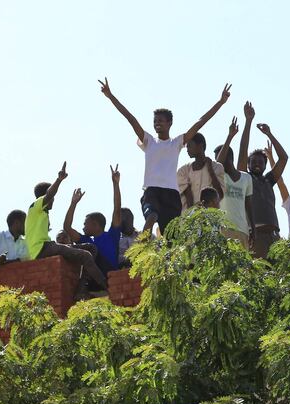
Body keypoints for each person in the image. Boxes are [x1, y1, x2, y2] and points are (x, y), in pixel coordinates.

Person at [99, 76, 231, 234]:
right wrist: (110, 96)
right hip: (152, 191)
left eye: (161, 120)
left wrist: (221, 102)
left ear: (169, 123)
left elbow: (200, 122)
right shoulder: (149, 141)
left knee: (171, 234)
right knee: (152, 215)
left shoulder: (176, 143)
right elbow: (130, 118)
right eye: (155, 121)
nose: (157, 123)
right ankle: (141, 244)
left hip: (171, 194)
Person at [26, 162, 107, 298]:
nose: (53, 202)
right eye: (53, 199)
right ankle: (108, 287)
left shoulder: (41, 213)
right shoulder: (36, 206)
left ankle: (81, 289)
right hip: (40, 248)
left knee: (90, 248)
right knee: (85, 255)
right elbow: (49, 194)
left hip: (47, 246)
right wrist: (59, 180)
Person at [237, 102, 288, 258]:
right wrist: (248, 121)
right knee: (258, 274)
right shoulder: (245, 178)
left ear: (266, 165)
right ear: (248, 164)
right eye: (254, 162)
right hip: (256, 235)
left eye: (261, 162)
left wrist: (269, 134)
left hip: (274, 236)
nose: (257, 164)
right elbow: (243, 152)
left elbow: (284, 158)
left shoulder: (268, 181)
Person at [63, 164, 123, 276]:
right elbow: (67, 228)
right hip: (94, 279)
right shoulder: (87, 241)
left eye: (86, 224)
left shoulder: (111, 236)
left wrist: (115, 184)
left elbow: (117, 210)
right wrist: (73, 204)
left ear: (96, 225)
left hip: (111, 276)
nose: (83, 227)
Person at [216, 116, 255, 249]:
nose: (217, 163)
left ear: (229, 158)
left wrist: (252, 229)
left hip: (242, 230)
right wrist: (230, 136)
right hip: (223, 229)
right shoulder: (221, 177)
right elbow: (218, 164)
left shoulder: (246, 178)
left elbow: (249, 206)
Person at [177, 133, 225, 209]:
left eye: (190, 145)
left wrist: (210, 170)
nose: (187, 149)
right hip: (189, 216)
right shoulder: (183, 170)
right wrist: (193, 216)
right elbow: (188, 197)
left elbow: (219, 195)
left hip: (210, 217)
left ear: (200, 146)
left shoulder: (217, 167)